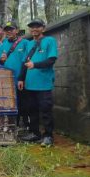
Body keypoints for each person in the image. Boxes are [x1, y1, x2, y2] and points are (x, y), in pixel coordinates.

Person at [18, 19, 58, 147]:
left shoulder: (49, 41)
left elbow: (51, 60)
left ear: (43, 28)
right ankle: (35, 133)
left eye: (37, 26)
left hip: (44, 84)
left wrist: (35, 65)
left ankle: (48, 136)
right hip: (29, 84)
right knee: (32, 110)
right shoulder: (29, 44)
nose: (34, 29)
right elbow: (25, 63)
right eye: (32, 27)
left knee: (46, 110)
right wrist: (21, 79)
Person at [0, 20, 29, 129]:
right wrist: (2, 60)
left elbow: (27, 61)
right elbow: (0, 62)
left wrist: (23, 77)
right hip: (7, 80)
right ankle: (14, 125)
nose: (9, 32)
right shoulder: (3, 45)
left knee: (24, 103)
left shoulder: (25, 43)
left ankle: (26, 125)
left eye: (11, 29)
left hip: (21, 79)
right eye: (6, 30)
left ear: (17, 30)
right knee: (10, 103)